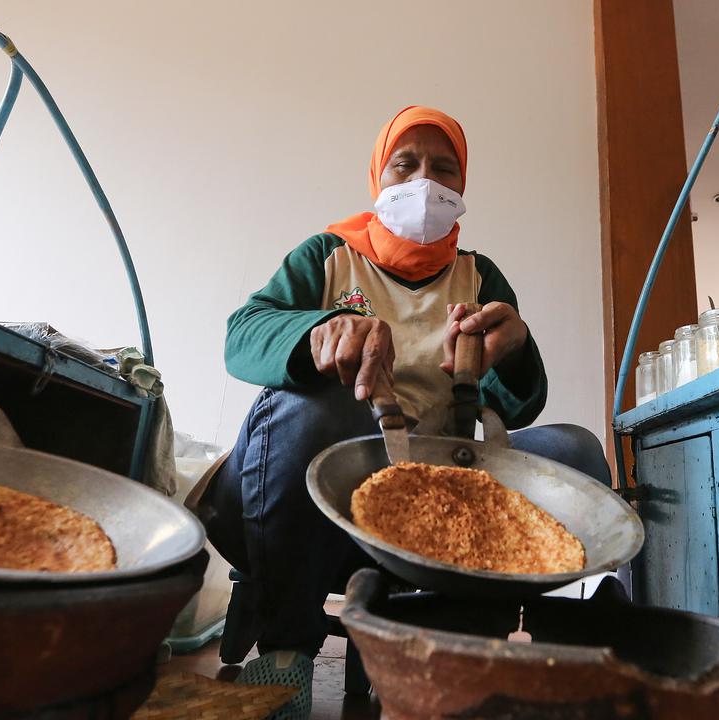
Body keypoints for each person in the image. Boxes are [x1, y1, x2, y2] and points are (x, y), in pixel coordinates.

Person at [208, 105, 609, 717]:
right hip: (322, 491)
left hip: (435, 482)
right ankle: (286, 653)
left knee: (574, 451)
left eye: (444, 169)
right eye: (406, 164)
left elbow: (518, 407)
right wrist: (320, 332)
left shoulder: (479, 277)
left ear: (462, 183)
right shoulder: (327, 255)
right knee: (313, 409)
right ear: (378, 175)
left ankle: (485, 640)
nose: (425, 182)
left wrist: (513, 349)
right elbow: (243, 337)